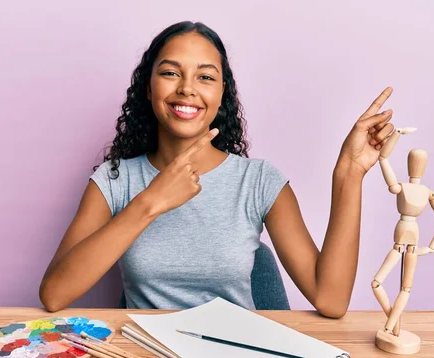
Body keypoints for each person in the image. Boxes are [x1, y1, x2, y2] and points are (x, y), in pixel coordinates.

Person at [39, 21, 396, 316]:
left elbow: (330, 300)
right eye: (169, 73)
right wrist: (151, 202)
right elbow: (54, 295)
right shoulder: (115, 180)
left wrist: (349, 171)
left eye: (206, 77)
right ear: (148, 87)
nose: (187, 89)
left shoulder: (258, 182)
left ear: (222, 92)